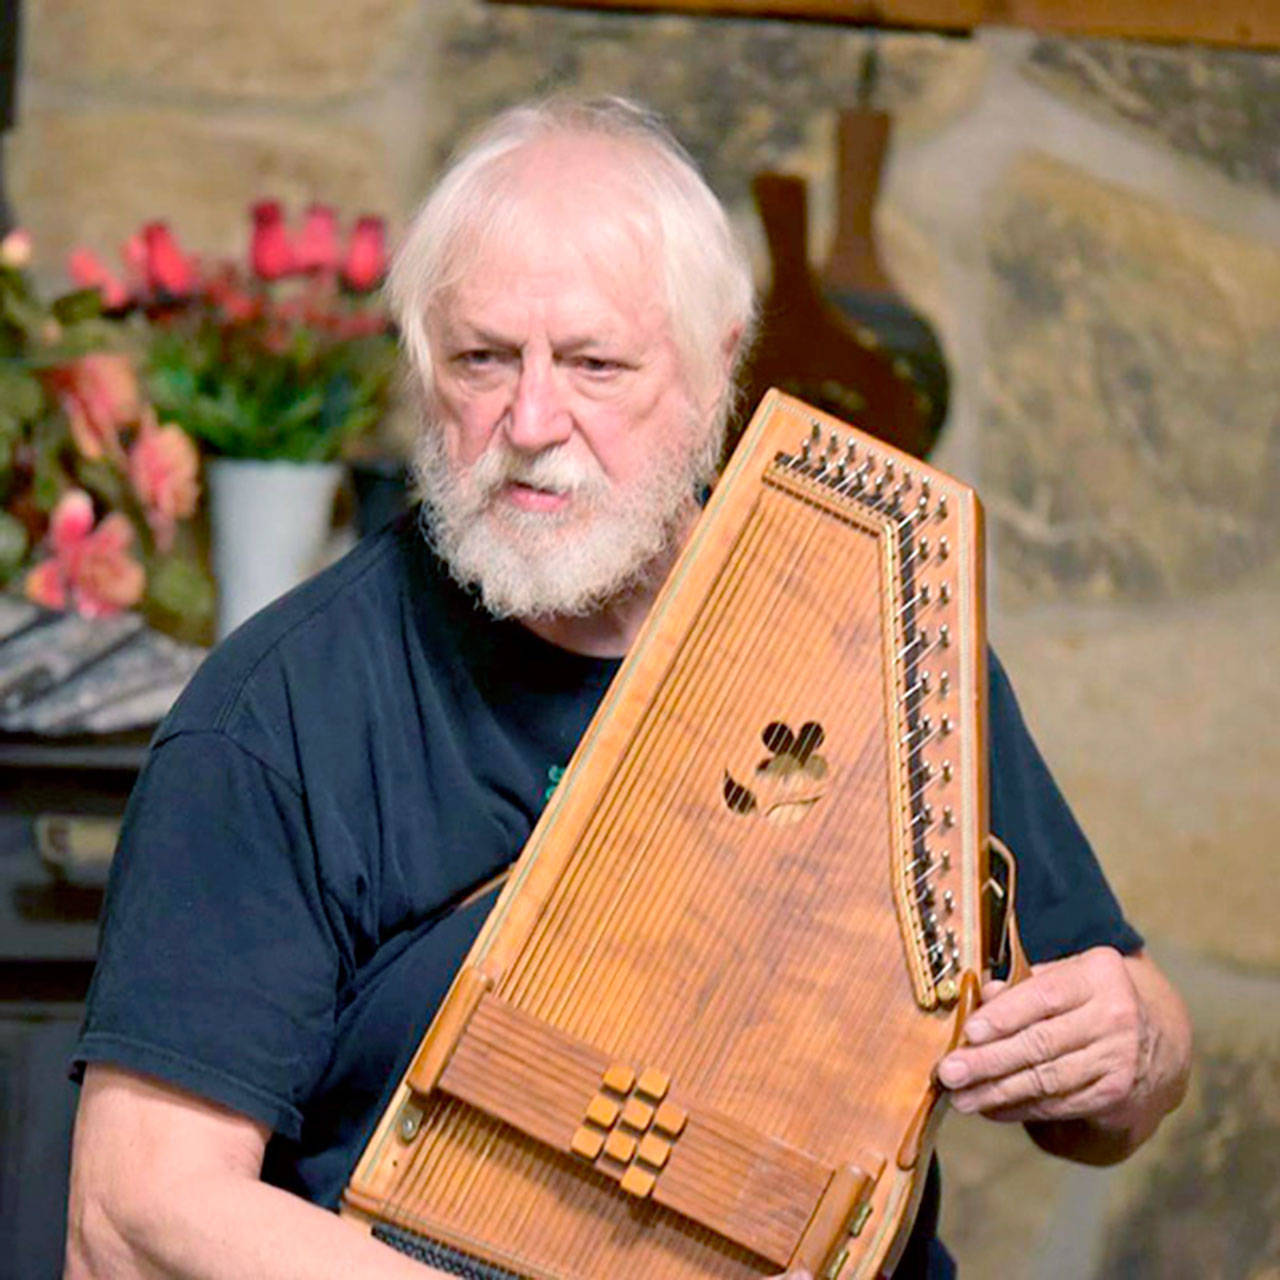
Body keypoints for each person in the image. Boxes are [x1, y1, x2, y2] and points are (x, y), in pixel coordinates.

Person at [64, 97, 1191, 1280]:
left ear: (719, 362)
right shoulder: (278, 714)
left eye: (595, 364)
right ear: (419, 364)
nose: (532, 422)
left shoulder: (881, 630)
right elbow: (136, 1211)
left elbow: (1119, 1083)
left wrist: (1133, 1042)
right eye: (482, 359)